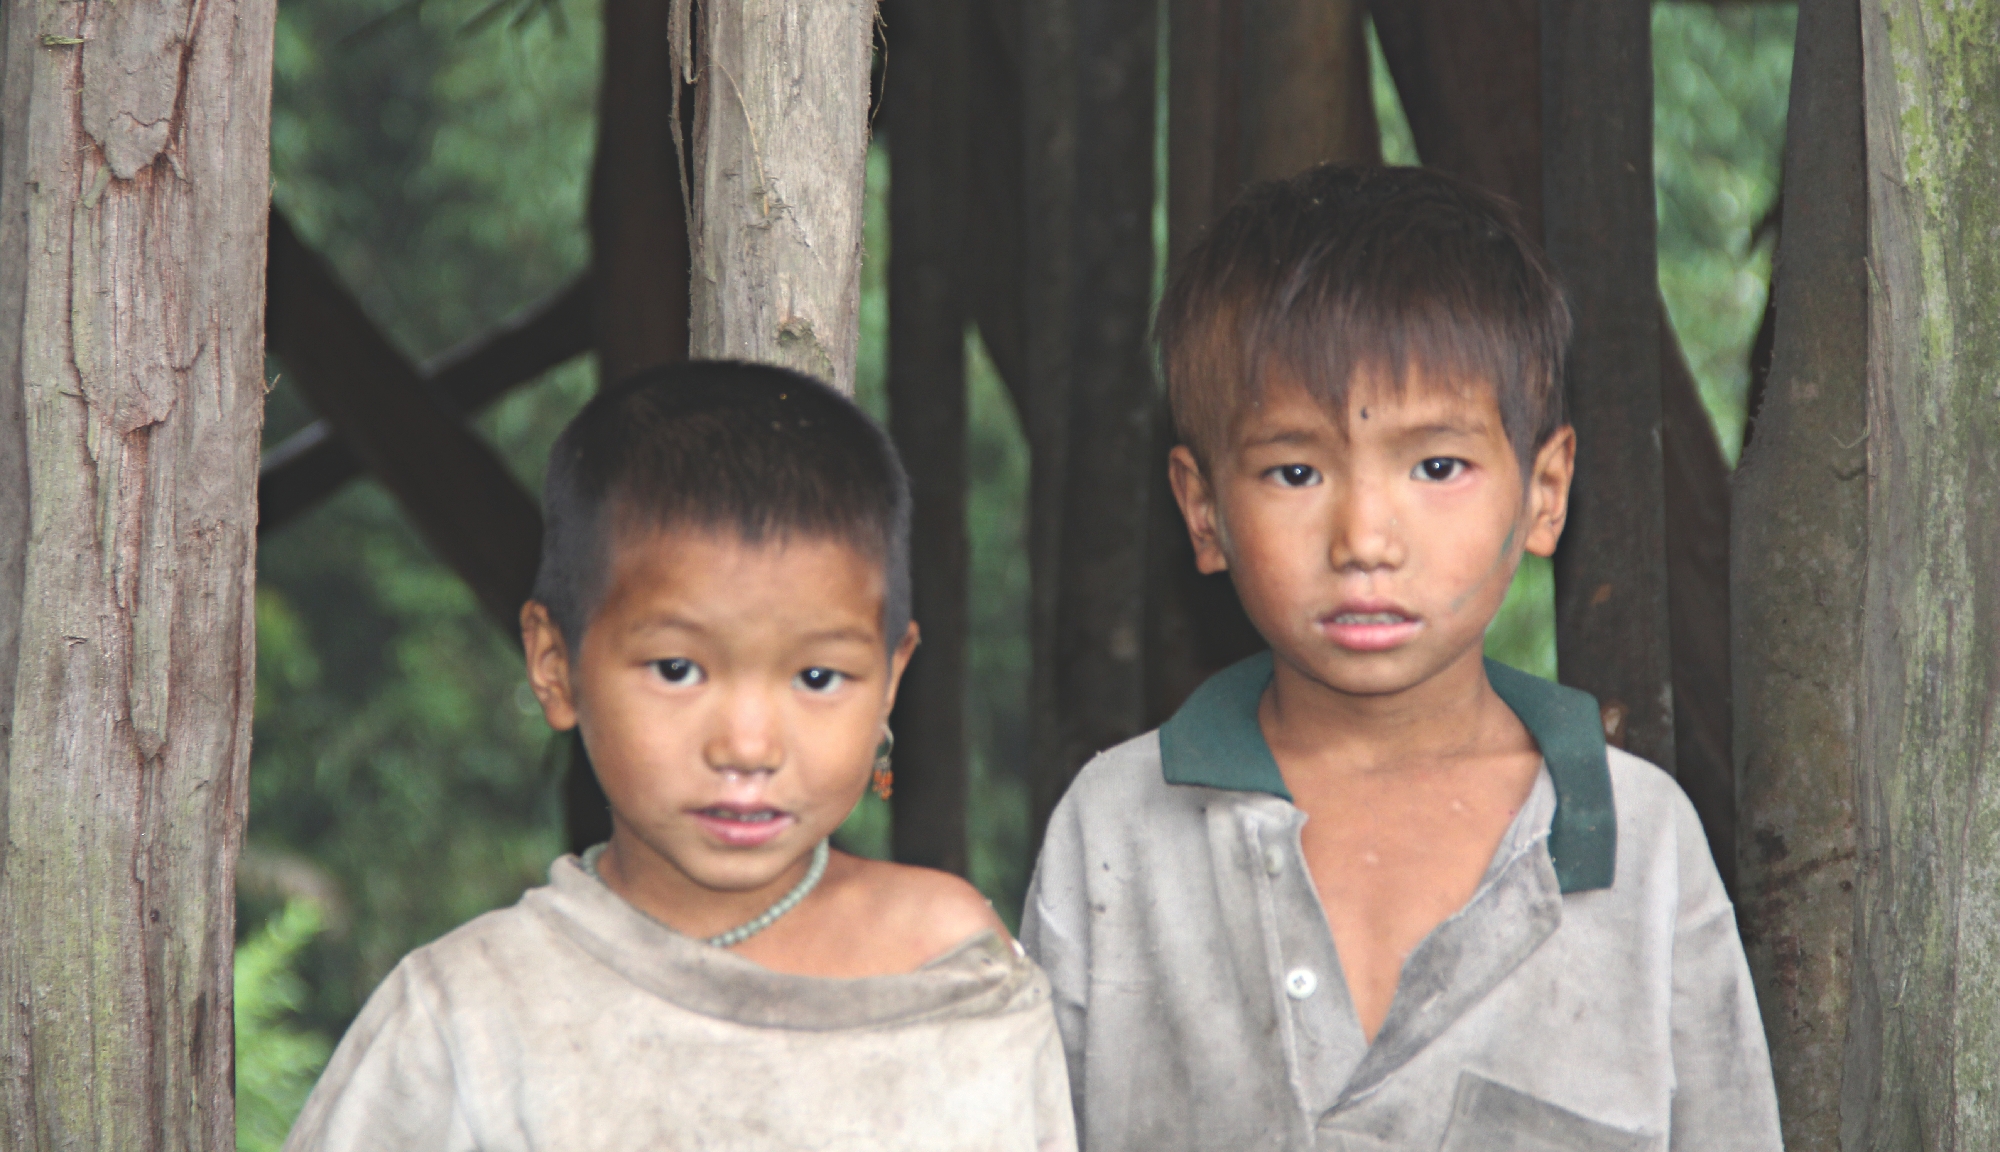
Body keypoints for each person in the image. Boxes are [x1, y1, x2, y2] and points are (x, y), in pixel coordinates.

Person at [1021, 165, 1780, 1152]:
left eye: (1436, 466)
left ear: (1544, 492)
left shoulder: (1637, 844)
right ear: (1202, 510)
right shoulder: (1117, 828)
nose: (1364, 539)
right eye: (1295, 471)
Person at [286, 361, 1076, 1152]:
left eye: (817, 677)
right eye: (676, 669)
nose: (747, 747)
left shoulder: (952, 968)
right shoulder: (466, 1020)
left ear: (890, 682)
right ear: (555, 665)